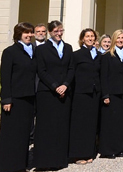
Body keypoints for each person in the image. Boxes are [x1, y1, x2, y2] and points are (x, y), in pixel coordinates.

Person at [33, 20, 74, 170]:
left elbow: (71, 69)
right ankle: (44, 162)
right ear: (50, 32)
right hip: (47, 93)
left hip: (65, 92)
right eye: (56, 31)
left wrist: (65, 85)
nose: (59, 33)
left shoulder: (68, 48)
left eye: (61, 30)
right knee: (46, 128)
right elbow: (41, 71)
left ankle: (60, 160)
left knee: (61, 127)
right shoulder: (42, 49)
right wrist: (55, 86)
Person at [0, 22, 36, 172]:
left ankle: (22, 164)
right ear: (18, 34)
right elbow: (5, 77)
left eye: (30, 32)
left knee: (25, 134)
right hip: (15, 100)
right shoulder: (10, 52)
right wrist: (6, 99)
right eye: (25, 32)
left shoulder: (34, 51)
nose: (29, 35)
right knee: (12, 134)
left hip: (29, 98)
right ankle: (9, 166)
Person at [99, 29, 123, 159]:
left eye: (122, 38)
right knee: (109, 122)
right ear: (114, 39)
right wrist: (105, 94)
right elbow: (104, 76)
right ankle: (108, 150)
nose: (120, 40)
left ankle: (120, 148)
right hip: (111, 93)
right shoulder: (107, 56)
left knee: (122, 122)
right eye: (118, 38)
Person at [68, 28, 101, 164]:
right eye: (87, 36)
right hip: (80, 93)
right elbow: (71, 73)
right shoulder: (76, 55)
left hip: (95, 93)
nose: (90, 38)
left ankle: (89, 152)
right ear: (82, 39)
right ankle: (78, 154)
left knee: (91, 124)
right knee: (79, 124)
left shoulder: (98, 55)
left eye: (92, 36)